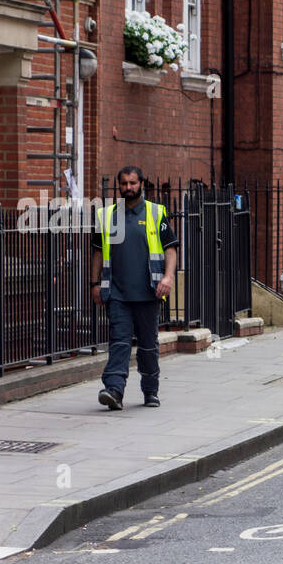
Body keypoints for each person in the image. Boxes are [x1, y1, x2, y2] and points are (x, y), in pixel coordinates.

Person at [90, 165, 178, 410]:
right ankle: (114, 390)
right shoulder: (107, 215)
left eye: (132, 183)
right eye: (124, 184)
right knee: (119, 342)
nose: (128, 188)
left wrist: (168, 278)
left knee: (148, 346)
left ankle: (151, 390)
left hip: (149, 292)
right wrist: (94, 283)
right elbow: (97, 252)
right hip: (116, 292)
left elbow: (171, 248)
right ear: (118, 186)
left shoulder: (155, 212)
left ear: (141, 184)